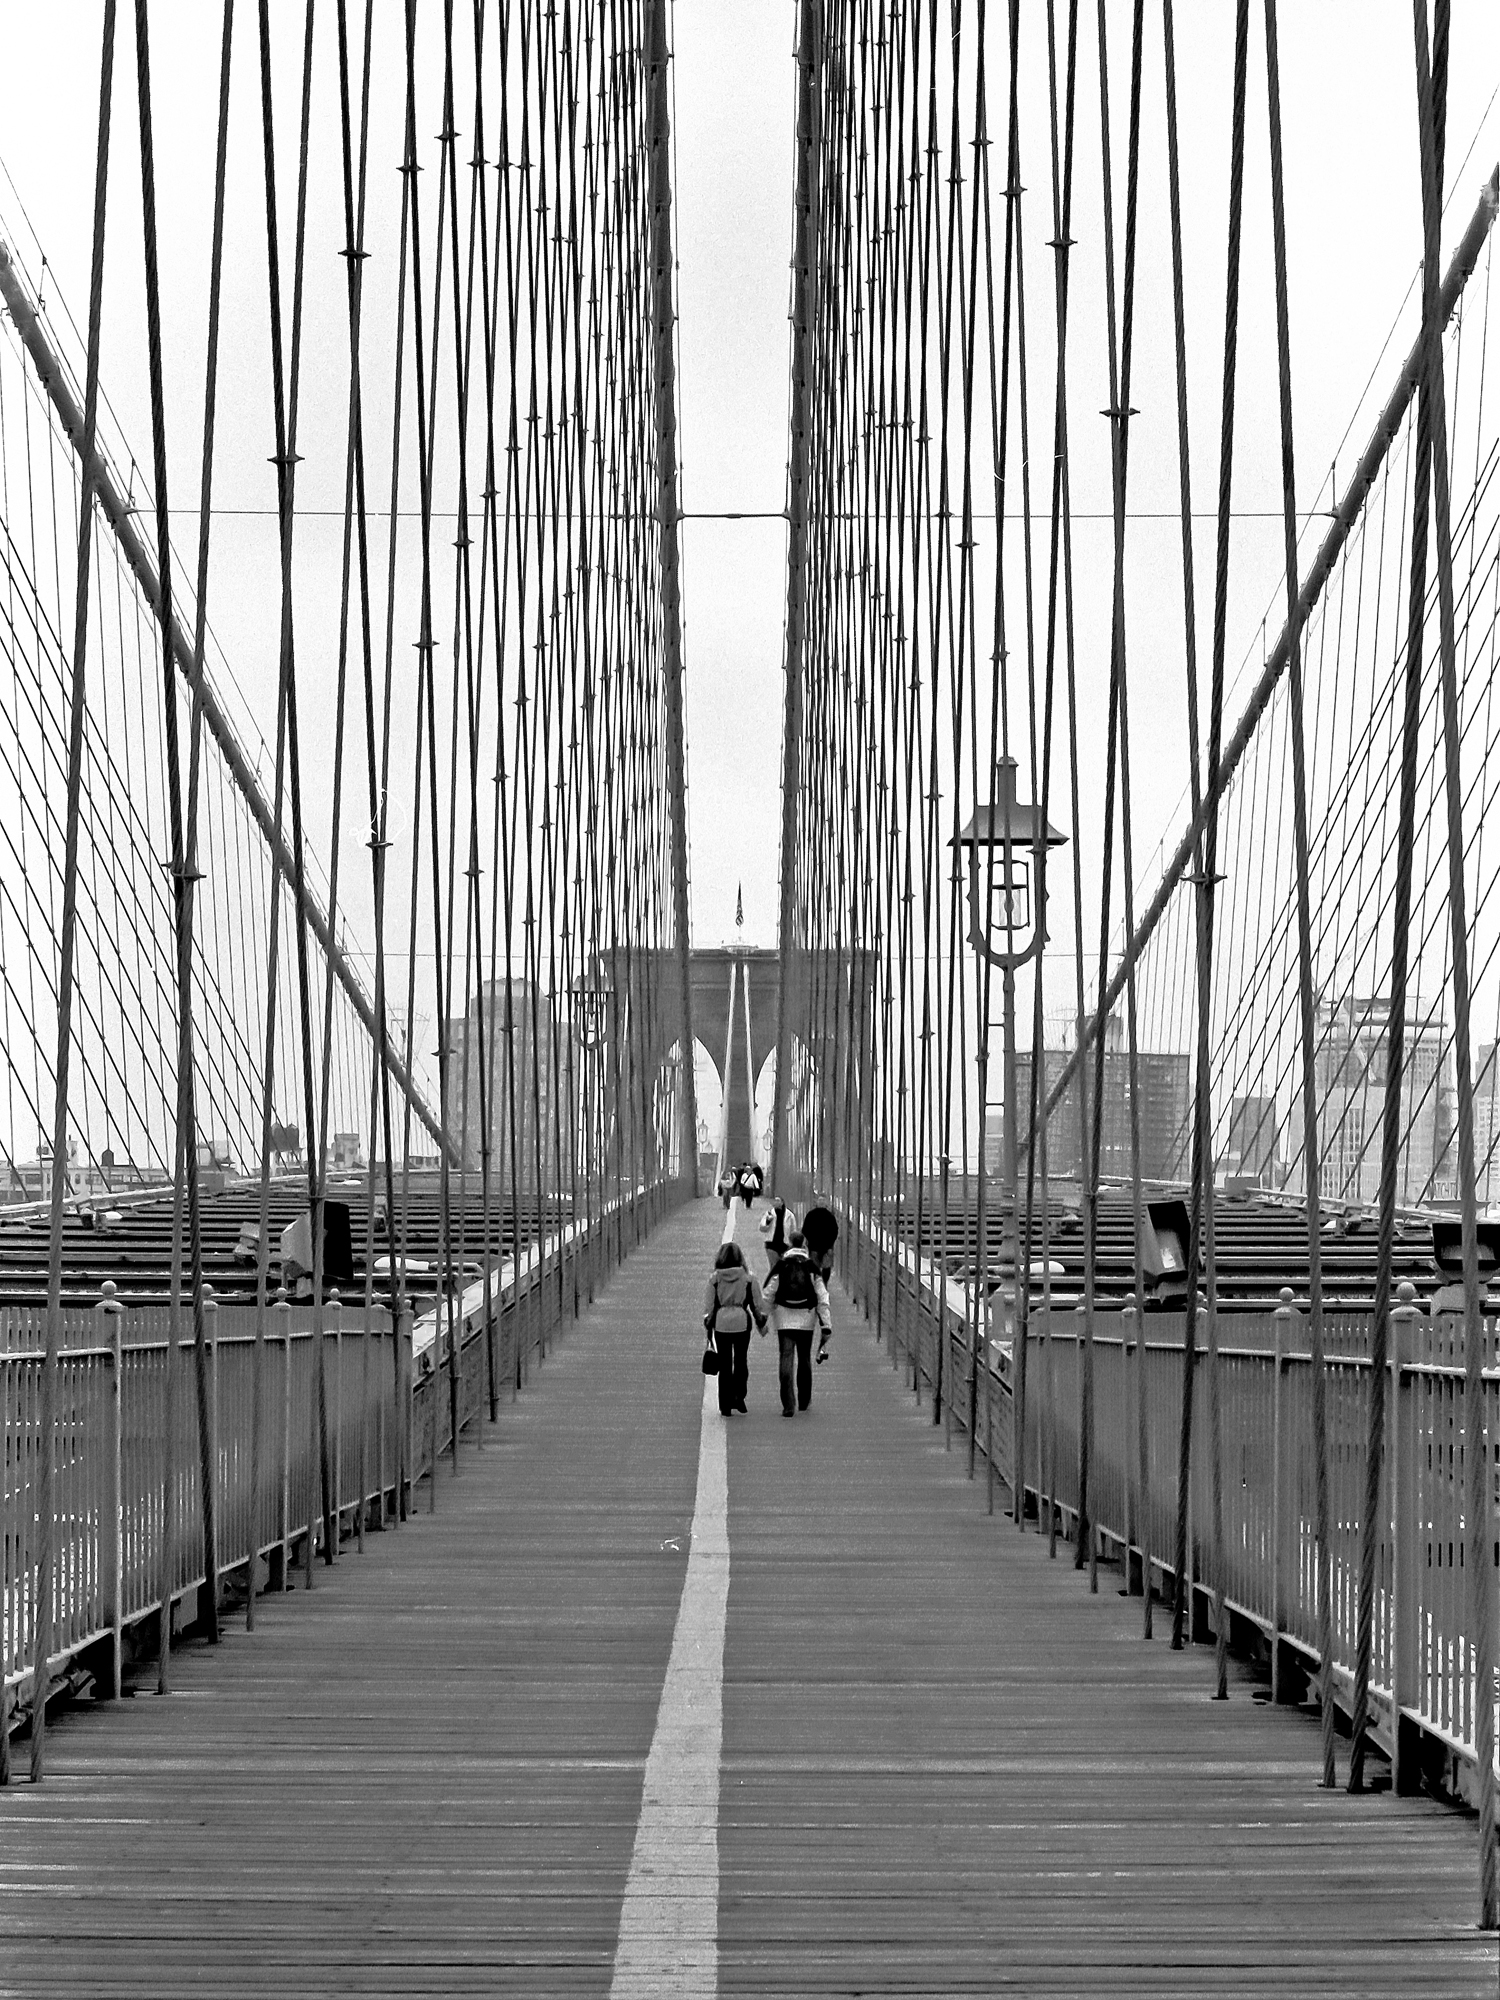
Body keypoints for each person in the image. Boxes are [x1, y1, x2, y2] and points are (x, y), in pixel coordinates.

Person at [762, 1230, 830, 1416]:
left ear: (790, 1244)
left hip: (783, 1317)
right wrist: (826, 1325)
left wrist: (762, 1317)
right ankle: (804, 1400)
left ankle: (788, 1404)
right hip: (806, 1318)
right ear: (804, 1244)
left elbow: (768, 1293)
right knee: (804, 1357)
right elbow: (822, 1297)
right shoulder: (811, 1267)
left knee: (786, 1356)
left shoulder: (781, 1265)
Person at [703, 1240, 766, 1416]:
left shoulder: (715, 1279)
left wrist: (708, 1323)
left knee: (724, 1364)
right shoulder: (748, 1278)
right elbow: (758, 1304)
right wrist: (761, 1321)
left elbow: (709, 1307)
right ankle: (739, 1395)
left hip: (721, 1323)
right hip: (741, 1323)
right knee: (740, 1361)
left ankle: (725, 1404)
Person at [801, 1196, 839, 1285]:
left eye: (823, 1200)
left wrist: (810, 1241)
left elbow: (805, 1230)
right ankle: (821, 1284)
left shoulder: (814, 1215)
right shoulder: (827, 1216)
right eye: (820, 1200)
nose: (821, 1202)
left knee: (820, 1267)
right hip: (821, 1247)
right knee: (821, 1267)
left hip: (819, 1247)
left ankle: (820, 1284)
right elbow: (834, 1232)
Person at [759, 1193, 795, 1274]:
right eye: (775, 1201)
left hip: (785, 1244)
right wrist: (768, 1221)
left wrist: (792, 1243)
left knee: (784, 1267)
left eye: (778, 1200)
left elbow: (793, 1230)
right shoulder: (769, 1214)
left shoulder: (790, 1215)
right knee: (774, 1266)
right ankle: (773, 1281)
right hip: (771, 1243)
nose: (776, 1202)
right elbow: (762, 1228)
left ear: (782, 1203)